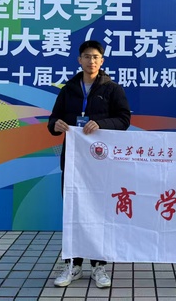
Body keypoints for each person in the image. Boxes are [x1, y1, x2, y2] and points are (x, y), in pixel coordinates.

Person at [47, 40, 131, 289]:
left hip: (100, 164)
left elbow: (124, 120)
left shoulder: (112, 89)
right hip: (73, 162)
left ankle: (99, 266)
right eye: (86, 56)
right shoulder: (69, 89)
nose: (91, 61)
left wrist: (101, 124)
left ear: (101, 61)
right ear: (79, 60)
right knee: (73, 211)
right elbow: (53, 120)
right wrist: (56, 125)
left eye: (95, 57)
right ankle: (73, 265)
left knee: (99, 212)